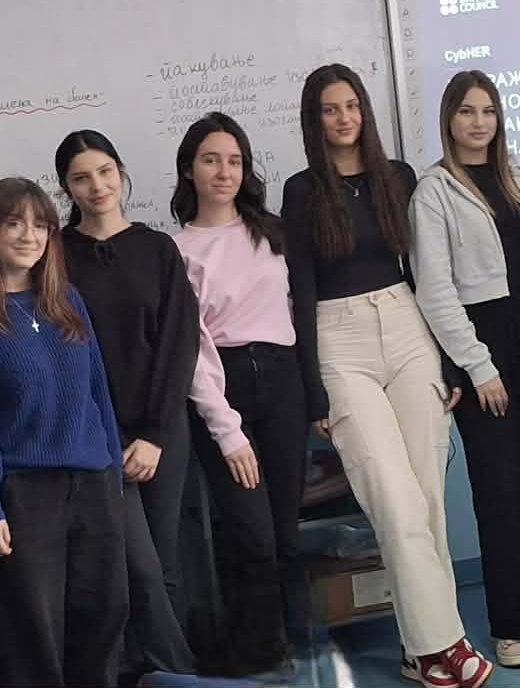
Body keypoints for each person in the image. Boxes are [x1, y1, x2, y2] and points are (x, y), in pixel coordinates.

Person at [282, 65, 489, 688]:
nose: (344, 118)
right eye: (330, 109)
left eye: (352, 105)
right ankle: (444, 645)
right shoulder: (301, 190)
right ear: (314, 120)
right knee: (394, 503)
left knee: (427, 499)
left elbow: (425, 271)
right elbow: (300, 289)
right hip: (339, 340)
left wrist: (448, 359)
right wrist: (312, 391)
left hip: (407, 326)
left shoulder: (397, 176)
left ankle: (419, 651)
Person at [0, 177, 128, 688]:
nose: (29, 236)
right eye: (14, 223)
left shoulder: (66, 300)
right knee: (31, 631)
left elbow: (98, 392)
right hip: (23, 494)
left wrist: (112, 473)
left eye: (41, 226)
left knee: (104, 615)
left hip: (92, 483)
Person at [411, 71, 520, 673]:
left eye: (489, 111)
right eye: (466, 111)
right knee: (500, 486)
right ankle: (512, 624)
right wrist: (479, 366)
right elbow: (435, 291)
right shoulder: (434, 190)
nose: (479, 122)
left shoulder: (517, 176)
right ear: (448, 119)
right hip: (482, 340)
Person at [174, 112, 319, 680]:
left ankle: (286, 643)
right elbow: (192, 349)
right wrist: (225, 427)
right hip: (224, 387)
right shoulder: (179, 250)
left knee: (283, 530)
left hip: (283, 381)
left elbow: (300, 315)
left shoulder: (272, 233)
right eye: (211, 160)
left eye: (234, 161)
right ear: (189, 169)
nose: (223, 172)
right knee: (248, 531)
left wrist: (316, 395)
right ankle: (258, 653)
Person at [56, 129, 198, 678]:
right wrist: (106, 433)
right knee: (131, 566)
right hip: (95, 434)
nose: (96, 186)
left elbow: (179, 342)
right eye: (81, 178)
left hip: (162, 429)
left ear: (120, 172)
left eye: (105, 172)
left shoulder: (157, 248)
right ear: (66, 188)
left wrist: (156, 434)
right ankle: (174, 673)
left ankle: (156, 673)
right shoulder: (55, 255)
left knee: (163, 561)